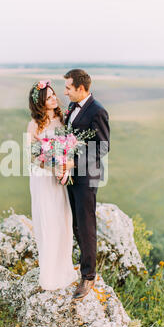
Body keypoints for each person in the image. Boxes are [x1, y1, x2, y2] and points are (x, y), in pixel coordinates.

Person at [57, 69, 110, 300]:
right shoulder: (71, 108)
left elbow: (103, 147)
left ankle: (88, 276)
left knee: (86, 225)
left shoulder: (98, 111)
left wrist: (73, 162)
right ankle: (81, 264)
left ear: (81, 88)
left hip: (86, 177)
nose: (65, 92)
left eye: (68, 87)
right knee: (76, 223)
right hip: (71, 176)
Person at [26, 80, 78, 291]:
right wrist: (53, 165)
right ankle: (49, 275)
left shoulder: (62, 118)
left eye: (54, 94)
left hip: (60, 177)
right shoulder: (33, 125)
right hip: (43, 179)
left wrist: (65, 165)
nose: (54, 98)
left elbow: (72, 145)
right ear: (40, 103)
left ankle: (64, 269)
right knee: (47, 221)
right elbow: (33, 155)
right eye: (48, 97)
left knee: (63, 219)